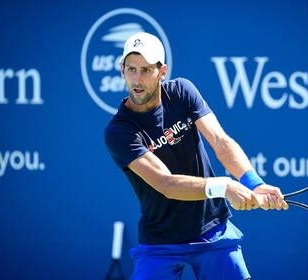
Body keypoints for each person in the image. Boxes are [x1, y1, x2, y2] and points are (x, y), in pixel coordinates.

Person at [105, 32, 288, 280]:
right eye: (131, 69)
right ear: (122, 70)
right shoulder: (119, 131)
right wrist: (224, 186)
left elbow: (220, 142)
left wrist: (253, 183)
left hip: (213, 229)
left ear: (162, 72)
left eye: (146, 70)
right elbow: (166, 183)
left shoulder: (182, 91)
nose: (137, 79)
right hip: (161, 242)